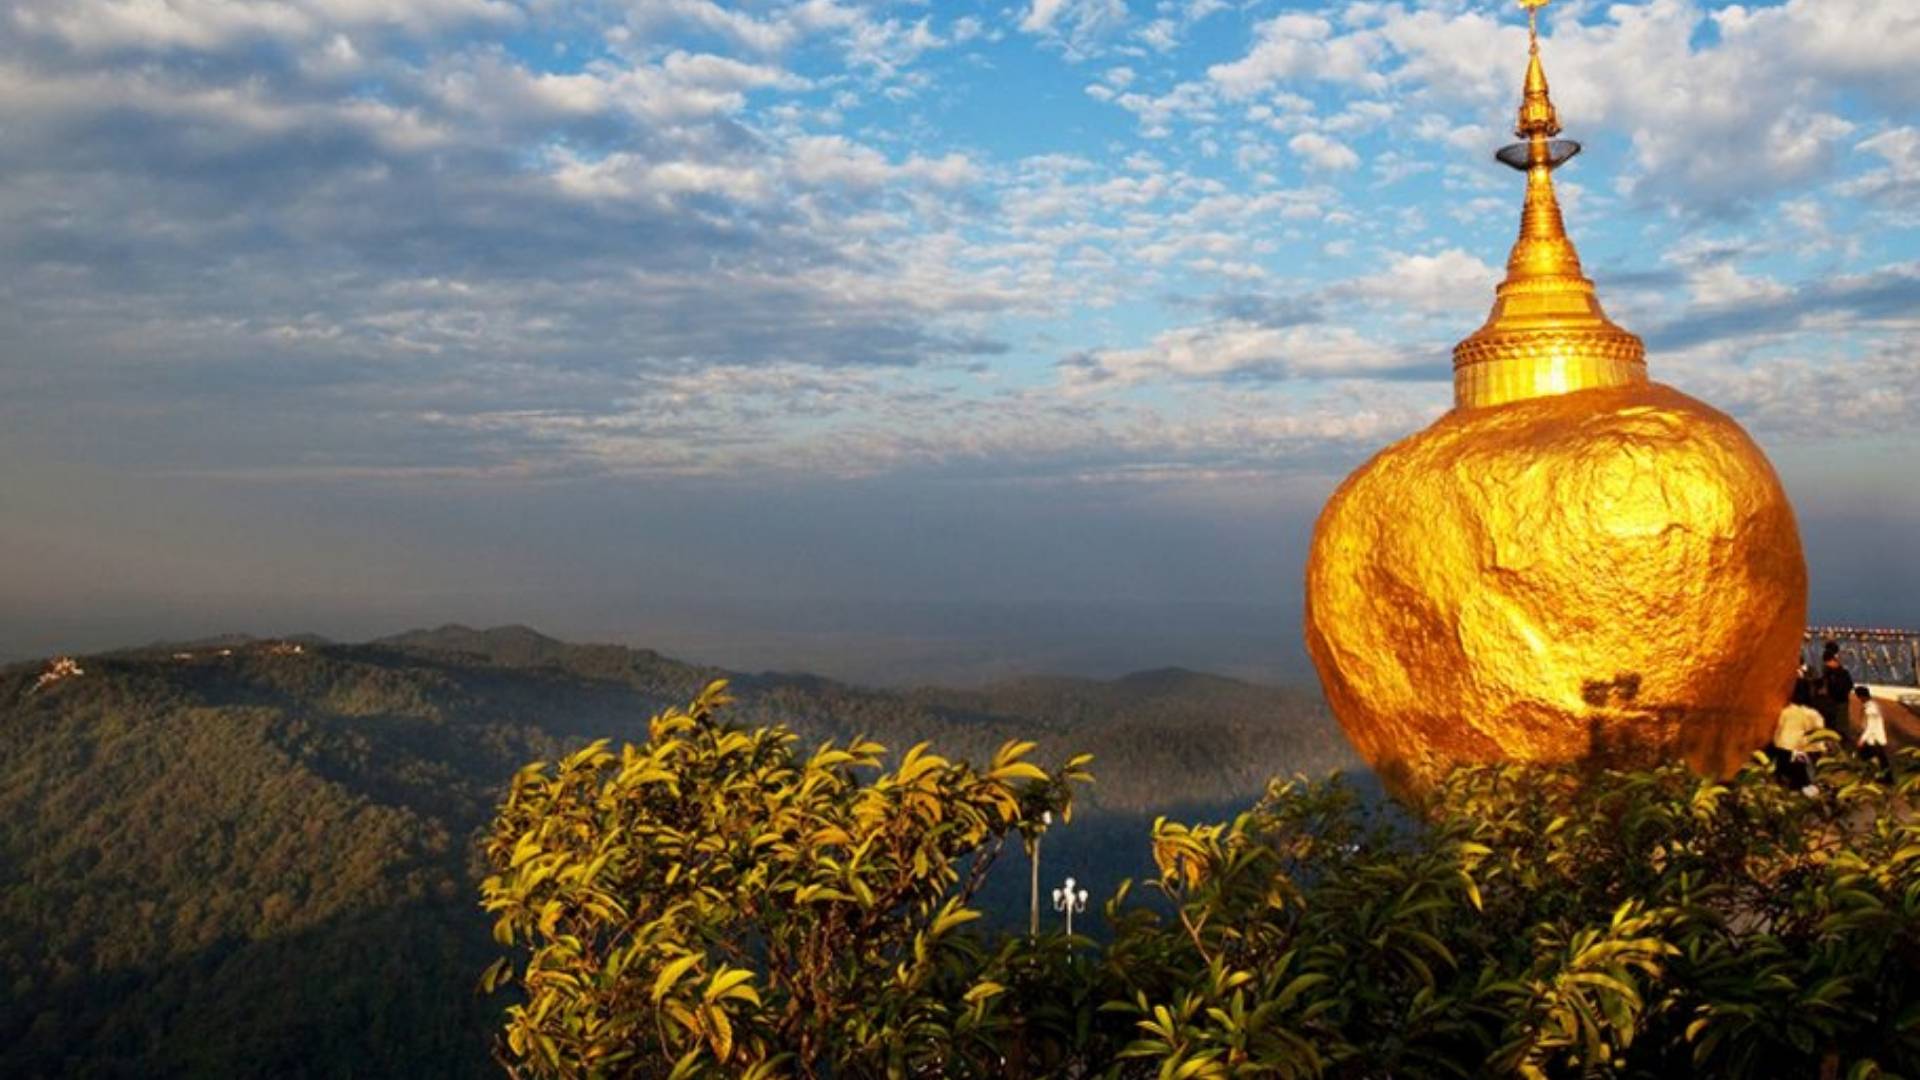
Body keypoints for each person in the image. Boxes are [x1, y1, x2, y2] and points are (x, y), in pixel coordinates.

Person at [1771, 679, 1825, 794]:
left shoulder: (1785, 712)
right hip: (1803, 752)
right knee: (1807, 781)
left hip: (1783, 749)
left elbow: (1778, 729)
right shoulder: (1811, 714)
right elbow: (1819, 732)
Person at [1816, 641, 1855, 740]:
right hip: (1836, 702)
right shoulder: (1833, 670)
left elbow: (1847, 685)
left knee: (1840, 726)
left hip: (1838, 702)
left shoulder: (1838, 672)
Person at [1855, 685, 1891, 780]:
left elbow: (1871, 726)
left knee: (1878, 758)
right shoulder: (1873, 705)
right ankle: (1882, 776)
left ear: (1861, 696)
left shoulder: (1870, 709)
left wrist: (1862, 739)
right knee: (1879, 759)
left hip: (1874, 738)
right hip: (1874, 738)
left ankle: (1882, 777)